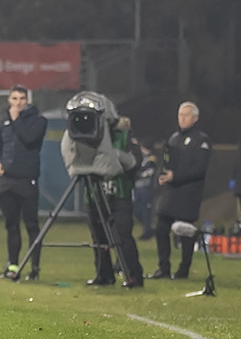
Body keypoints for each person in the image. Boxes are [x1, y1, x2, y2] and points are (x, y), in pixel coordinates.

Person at [146, 102, 211, 280]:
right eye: (180, 115)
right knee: (161, 228)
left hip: (188, 193)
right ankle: (163, 268)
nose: (182, 118)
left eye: (186, 115)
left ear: (195, 118)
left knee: (185, 232)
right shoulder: (173, 138)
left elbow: (199, 169)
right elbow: (166, 161)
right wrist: (161, 175)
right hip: (171, 193)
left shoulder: (201, 140)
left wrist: (176, 177)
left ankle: (184, 270)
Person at [0, 84, 48, 280]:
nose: (18, 103)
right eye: (14, 99)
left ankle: (34, 268)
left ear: (28, 100)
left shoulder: (38, 121)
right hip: (7, 181)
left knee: (31, 224)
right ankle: (13, 265)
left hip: (27, 180)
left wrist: (16, 120)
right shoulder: (2, 124)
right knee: (11, 224)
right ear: (9, 100)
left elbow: (29, 139)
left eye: (22, 99)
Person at [85, 117, 145, 288]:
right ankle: (104, 274)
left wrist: (113, 154)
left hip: (119, 194)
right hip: (95, 194)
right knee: (98, 238)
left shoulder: (126, 139)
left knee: (122, 236)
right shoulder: (90, 137)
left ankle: (133, 275)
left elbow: (134, 163)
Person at [132, 139, 157, 240]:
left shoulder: (151, 158)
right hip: (138, 188)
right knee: (136, 210)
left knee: (146, 211)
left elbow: (148, 170)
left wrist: (137, 174)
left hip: (146, 188)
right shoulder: (141, 157)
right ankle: (149, 229)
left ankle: (147, 232)